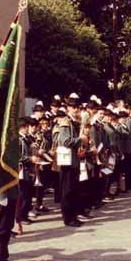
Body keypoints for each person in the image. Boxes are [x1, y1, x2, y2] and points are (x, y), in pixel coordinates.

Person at [58, 96, 88, 227]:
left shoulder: (76, 121)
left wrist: (83, 145)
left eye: (77, 107)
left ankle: (73, 215)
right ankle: (68, 218)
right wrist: (80, 139)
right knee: (67, 190)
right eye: (73, 107)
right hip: (67, 160)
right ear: (68, 108)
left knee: (74, 189)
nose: (76, 109)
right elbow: (65, 141)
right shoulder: (66, 122)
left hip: (75, 159)